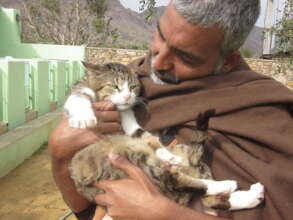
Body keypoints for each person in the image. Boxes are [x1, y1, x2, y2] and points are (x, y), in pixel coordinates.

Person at [49, 0, 293, 220]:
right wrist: (60, 153)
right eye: (160, 35)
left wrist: (167, 215)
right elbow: (85, 208)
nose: (158, 62)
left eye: (186, 57)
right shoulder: (131, 79)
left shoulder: (267, 116)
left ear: (227, 61)